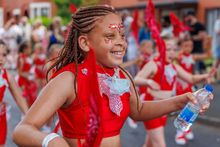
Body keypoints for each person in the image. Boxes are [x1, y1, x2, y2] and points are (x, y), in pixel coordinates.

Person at [12, 5, 212, 147]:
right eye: (110, 37)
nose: (121, 43)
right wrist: (51, 140)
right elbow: (22, 130)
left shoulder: (122, 74)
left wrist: (182, 101)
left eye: (122, 36)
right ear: (85, 43)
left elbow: (139, 110)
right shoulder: (68, 79)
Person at [134, 39, 211, 147]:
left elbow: (191, 78)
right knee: (160, 144)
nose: (171, 52)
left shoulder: (174, 67)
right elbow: (136, 79)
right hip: (151, 107)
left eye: (174, 49)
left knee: (150, 143)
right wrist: (148, 81)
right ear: (160, 50)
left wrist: (204, 76)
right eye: (168, 49)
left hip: (164, 109)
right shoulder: (154, 64)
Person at [175, 37, 211, 145]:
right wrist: (180, 47)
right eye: (186, 46)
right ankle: (179, 133)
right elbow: (172, 55)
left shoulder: (192, 56)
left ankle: (187, 129)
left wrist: (208, 44)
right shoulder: (178, 57)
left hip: (189, 87)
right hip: (180, 87)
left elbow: (207, 55)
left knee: (192, 108)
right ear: (181, 46)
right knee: (182, 110)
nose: (188, 48)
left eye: (190, 46)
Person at [0, 40, 28, 147]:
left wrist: (29, 118)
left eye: (4, 55)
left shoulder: (7, 75)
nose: (1, 58)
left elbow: (20, 98)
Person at [17, 41, 38, 107]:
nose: (31, 50)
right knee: (26, 99)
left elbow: (28, 70)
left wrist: (31, 75)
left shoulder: (26, 57)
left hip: (27, 79)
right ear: (25, 49)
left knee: (31, 98)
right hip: (23, 81)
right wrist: (29, 76)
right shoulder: (21, 58)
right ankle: (26, 114)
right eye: (29, 48)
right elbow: (20, 72)